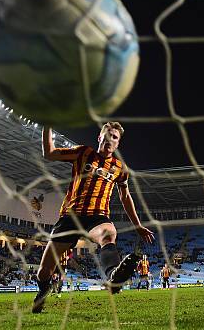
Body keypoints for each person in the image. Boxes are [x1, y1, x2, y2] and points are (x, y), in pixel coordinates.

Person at [33, 122, 154, 313]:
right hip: (69, 218)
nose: (110, 139)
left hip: (97, 217)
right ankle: (43, 290)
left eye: (115, 137)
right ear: (100, 137)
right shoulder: (83, 153)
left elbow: (125, 196)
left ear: (118, 144)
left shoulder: (120, 169)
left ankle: (113, 276)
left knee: (108, 233)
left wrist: (137, 225)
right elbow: (50, 153)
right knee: (44, 271)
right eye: (107, 135)